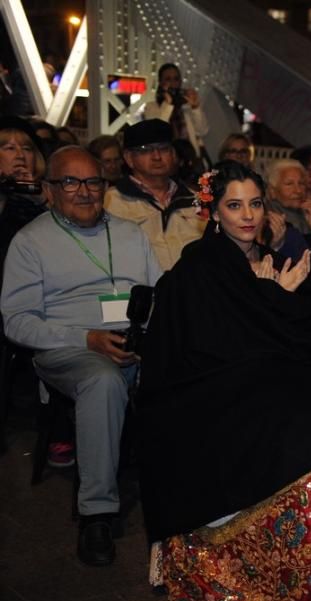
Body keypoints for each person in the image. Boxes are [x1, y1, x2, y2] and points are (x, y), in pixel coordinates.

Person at [138, 161, 311, 601]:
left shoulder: (255, 257)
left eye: (255, 204)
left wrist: (275, 297)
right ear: (214, 212)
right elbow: (226, 346)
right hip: (206, 399)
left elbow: (274, 331)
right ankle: (294, 583)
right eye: (234, 205)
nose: (247, 215)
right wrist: (274, 297)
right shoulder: (202, 265)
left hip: (248, 384)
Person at [1, 146, 162, 566]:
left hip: (135, 343)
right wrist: (85, 337)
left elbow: (161, 295)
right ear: (49, 190)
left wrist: (152, 336)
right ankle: (97, 513)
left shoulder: (129, 233)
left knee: (198, 369)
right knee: (102, 380)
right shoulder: (30, 241)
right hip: (70, 350)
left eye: (93, 181)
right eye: (70, 182)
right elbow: (16, 321)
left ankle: (197, 502)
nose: (84, 192)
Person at [104, 119, 204, 271]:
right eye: (145, 150)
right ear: (129, 158)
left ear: (173, 155)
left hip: (192, 290)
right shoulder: (112, 201)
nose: (156, 156)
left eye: (163, 149)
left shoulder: (195, 199)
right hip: (139, 290)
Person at [0, 117, 47, 264]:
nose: (20, 155)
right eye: (10, 148)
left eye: (27, 149)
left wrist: (35, 196)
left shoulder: (52, 192)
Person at [143, 63, 209, 167]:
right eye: (168, 79)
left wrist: (195, 107)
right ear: (161, 82)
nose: (173, 83)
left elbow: (203, 130)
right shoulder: (152, 107)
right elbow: (156, 131)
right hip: (163, 160)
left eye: (176, 79)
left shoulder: (186, 106)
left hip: (190, 160)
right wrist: (169, 104)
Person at [264, 159, 311, 260]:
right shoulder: (268, 220)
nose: (298, 190)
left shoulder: (309, 213)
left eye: (301, 183)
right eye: (289, 184)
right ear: (272, 191)